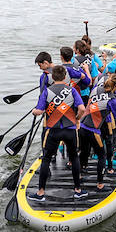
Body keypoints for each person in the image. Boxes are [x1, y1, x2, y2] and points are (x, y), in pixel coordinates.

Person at [29, 65, 87, 201]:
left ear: (52, 77)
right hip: (70, 130)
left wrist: (34, 112)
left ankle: (41, 193)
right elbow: (82, 109)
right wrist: (77, 119)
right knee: (74, 157)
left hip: (53, 131)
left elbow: (39, 111)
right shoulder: (72, 90)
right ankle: (78, 190)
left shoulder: (47, 91)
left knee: (46, 159)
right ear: (65, 76)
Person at [78, 73, 116, 191]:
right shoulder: (112, 101)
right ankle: (100, 184)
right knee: (102, 156)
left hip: (82, 126)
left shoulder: (95, 90)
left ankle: (79, 176)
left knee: (83, 152)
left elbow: (91, 104)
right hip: (93, 130)